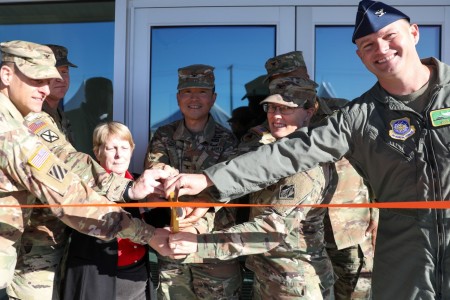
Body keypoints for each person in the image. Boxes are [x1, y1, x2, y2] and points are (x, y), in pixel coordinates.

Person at [165, 1, 450, 299]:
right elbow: (289, 153)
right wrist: (208, 182)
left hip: (352, 247)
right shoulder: (358, 117)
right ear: (359, 55)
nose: (381, 49)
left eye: (390, 36)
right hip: (404, 260)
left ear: (414, 33)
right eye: (368, 44)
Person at [0, 40, 171, 295]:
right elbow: (68, 196)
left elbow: (66, 157)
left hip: (35, 244)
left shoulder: (33, 118)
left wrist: (129, 188)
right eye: (37, 80)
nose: (46, 89)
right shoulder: (8, 131)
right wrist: (146, 234)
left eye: (50, 80)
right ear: (6, 74)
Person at [169, 77, 338, 299]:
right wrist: (201, 213)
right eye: (272, 107)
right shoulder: (267, 154)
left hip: (295, 285)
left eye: (286, 109)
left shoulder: (307, 166)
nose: (276, 116)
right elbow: (235, 191)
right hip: (267, 276)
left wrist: (199, 244)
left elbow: (270, 230)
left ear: (308, 112)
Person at [144, 64, 242, 299]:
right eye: (187, 92)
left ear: (213, 98)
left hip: (213, 247)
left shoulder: (227, 140)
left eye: (202, 91)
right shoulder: (163, 135)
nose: (194, 98)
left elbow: (230, 187)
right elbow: (155, 173)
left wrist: (198, 207)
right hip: (173, 244)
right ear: (178, 97)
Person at [64, 121, 155, 300]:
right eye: (111, 148)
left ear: (132, 150)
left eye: (124, 147)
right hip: (94, 278)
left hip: (136, 277)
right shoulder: (82, 188)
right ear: (97, 152)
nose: (119, 155)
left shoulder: (144, 186)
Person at [66, 76, 113, 157]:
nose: (110, 98)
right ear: (88, 95)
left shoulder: (112, 120)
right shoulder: (69, 119)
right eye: (106, 93)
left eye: (110, 93)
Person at [42, 44, 76, 143]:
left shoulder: (61, 115)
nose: (61, 79)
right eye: (53, 72)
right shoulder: (31, 115)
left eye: (64, 72)